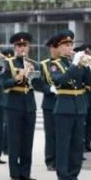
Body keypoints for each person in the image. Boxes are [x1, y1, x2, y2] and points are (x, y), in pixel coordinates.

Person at [49, 31, 91, 180]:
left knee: (77, 145)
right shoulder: (55, 64)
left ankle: (74, 175)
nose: (70, 48)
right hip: (64, 107)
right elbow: (60, 81)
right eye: (66, 45)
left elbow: (89, 82)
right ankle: (63, 177)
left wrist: (86, 66)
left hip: (79, 106)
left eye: (71, 45)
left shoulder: (78, 63)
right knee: (64, 144)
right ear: (59, 48)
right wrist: (75, 65)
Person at [0, 32, 38, 180]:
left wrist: (34, 75)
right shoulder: (8, 63)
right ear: (15, 47)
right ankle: (15, 174)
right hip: (13, 104)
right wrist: (17, 78)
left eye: (25, 45)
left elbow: (38, 84)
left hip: (29, 104)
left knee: (28, 140)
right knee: (15, 140)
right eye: (19, 45)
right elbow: (2, 84)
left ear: (28, 47)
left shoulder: (33, 63)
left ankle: (25, 172)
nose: (22, 48)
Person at [31, 37, 59, 171]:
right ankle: (51, 160)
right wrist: (49, 89)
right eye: (55, 47)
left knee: (63, 134)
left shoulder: (68, 63)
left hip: (65, 103)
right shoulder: (43, 64)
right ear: (51, 48)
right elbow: (36, 83)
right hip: (50, 103)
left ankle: (61, 159)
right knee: (51, 133)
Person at [74, 44, 91, 153]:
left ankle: (88, 144)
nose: (88, 55)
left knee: (90, 122)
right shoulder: (78, 66)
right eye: (86, 53)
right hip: (83, 94)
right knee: (82, 124)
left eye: (89, 53)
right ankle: (81, 146)